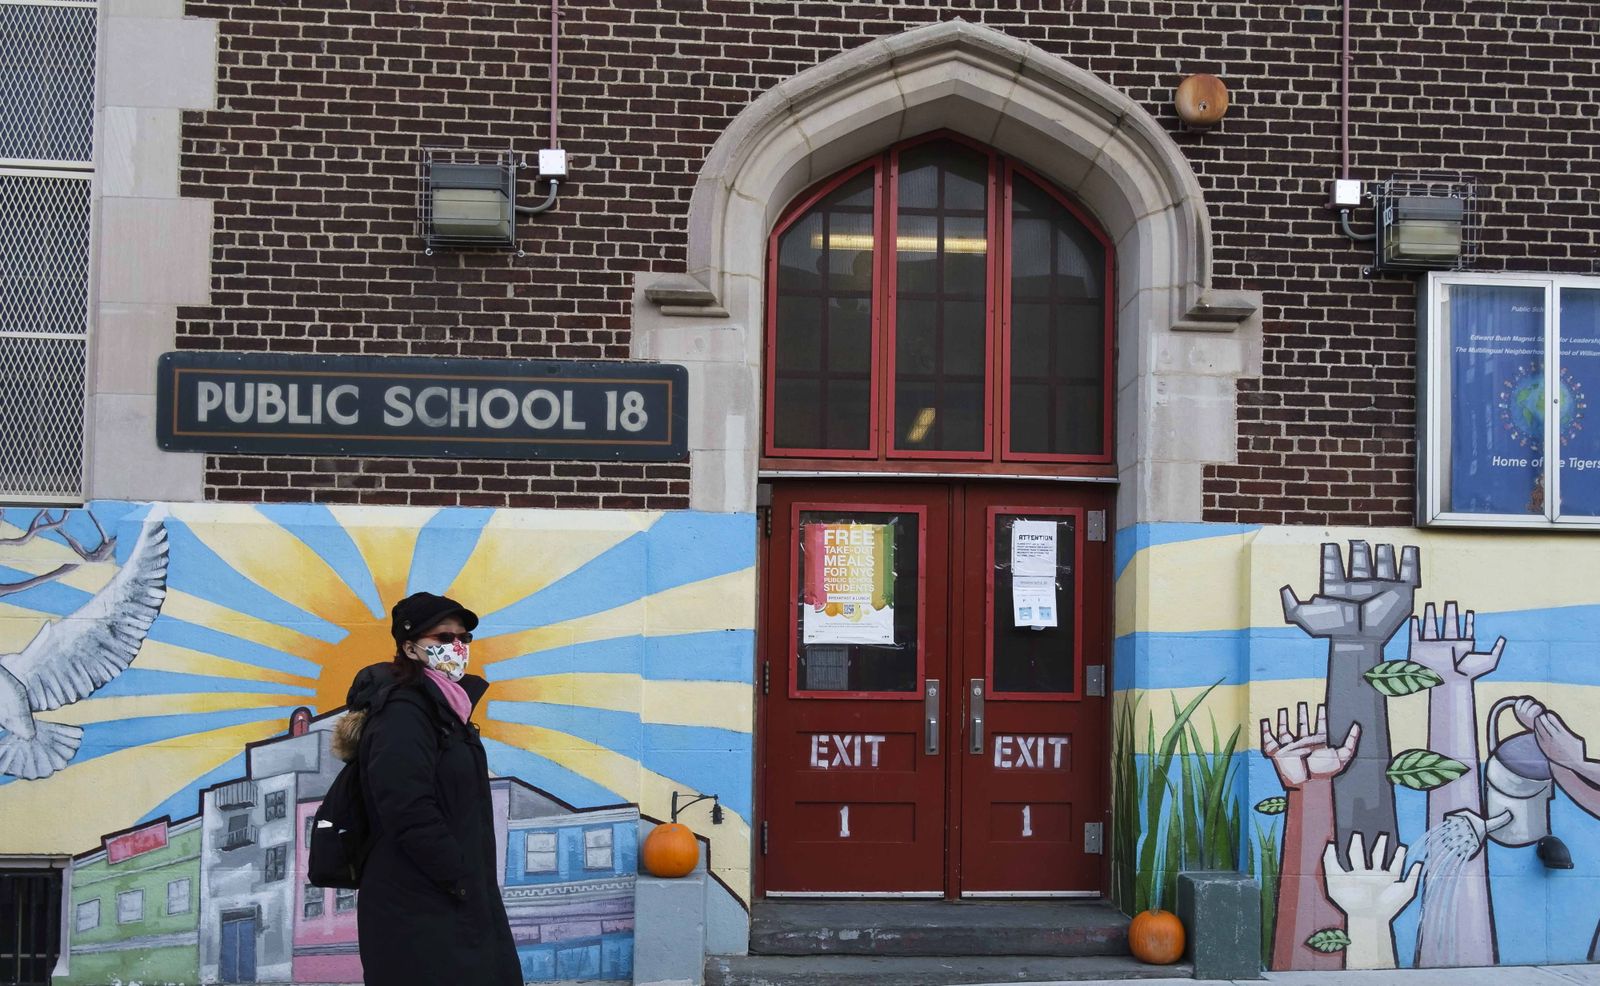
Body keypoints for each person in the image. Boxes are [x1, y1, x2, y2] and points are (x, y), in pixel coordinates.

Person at [336, 591, 521, 986]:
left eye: (463, 638)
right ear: (410, 646)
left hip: (449, 897)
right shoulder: (404, 712)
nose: (456, 646)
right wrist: (457, 876)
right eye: (442, 637)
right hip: (418, 903)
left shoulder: (447, 710)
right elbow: (406, 806)